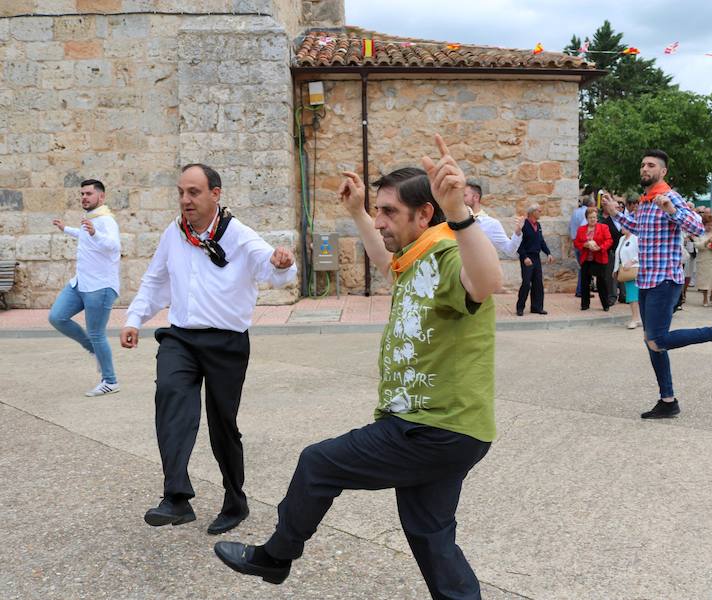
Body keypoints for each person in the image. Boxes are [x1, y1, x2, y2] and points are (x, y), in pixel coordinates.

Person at [213, 135, 502, 597]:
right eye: (379, 211)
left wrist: (461, 215)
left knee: (318, 463)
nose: (381, 220)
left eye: (390, 212)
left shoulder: (448, 253)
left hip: (431, 427)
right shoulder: (417, 257)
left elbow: (487, 282)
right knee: (431, 535)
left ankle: (276, 557)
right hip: (453, 429)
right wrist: (357, 213)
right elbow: (385, 257)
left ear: (424, 215)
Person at [120, 164, 297, 535]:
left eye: (194, 192)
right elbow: (155, 279)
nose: (185, 200)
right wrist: (134, 319)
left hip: (226, 343)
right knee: (169, 397)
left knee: (223, 426)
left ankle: (236, 501)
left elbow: (273, 270)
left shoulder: (239, 235)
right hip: (181, 338)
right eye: (182, 192)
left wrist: (284, 263)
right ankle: (176, 498)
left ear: (215, 194)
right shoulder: (174, 233)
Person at [602, 149, 712, 420]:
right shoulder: (647, 201)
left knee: (658, 340)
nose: (644, 169)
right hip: (647, 278)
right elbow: (638, 228)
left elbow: (697, 227)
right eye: (643, 165)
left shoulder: (669, 197)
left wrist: (671, 210)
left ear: (663, 172)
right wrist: (615, 212)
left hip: (665, 279)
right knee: (652, 342)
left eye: (651, 165)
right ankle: (668, 400)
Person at [49, 179, 121, 397]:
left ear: (101, 196)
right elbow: (85, 237)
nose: (84, 197)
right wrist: (66, 229)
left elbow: (114, 245)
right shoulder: (91, 219)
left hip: (100, 287)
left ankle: (110, 381)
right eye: (82, 194)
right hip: (81, 283)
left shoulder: (106, 220)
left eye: (89, 193)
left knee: (97, 333)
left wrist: (94, 234)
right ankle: (93, 349)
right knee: (57, 317)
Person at [464, 181, 523, 257]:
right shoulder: (456, 222)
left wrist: (517, 232)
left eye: (464, 195)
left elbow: (509, 250)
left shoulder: (491, 224)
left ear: (476, 197)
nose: (460, 199)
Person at [516, 204, 554, 316]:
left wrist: (548, 253)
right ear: (532, 212)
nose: (541, 212)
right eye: (539, 210)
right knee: (526, 283)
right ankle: (520, 307)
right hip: (527, 257)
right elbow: (519, 243)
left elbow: (541, 241)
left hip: (536, 257)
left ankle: (537, 307)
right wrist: (524, 257)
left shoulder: (538, 225)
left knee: (538, 283)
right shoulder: (524, 225)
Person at [573, 206, 613, 311]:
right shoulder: (581, 229)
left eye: (594, 217)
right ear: (586, 218)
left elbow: (609, 241)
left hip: (599, 257)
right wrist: (585, 245)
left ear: (597, 218)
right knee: (585, 282)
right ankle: (585, 304)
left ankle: (605, 304)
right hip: (586, 258)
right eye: (590, 217)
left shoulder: (603, 227)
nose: (593, 219)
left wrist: (600, 248)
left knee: (601, 282)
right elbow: (576, 242)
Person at [613, 227, 641, 328]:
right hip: (625, 270)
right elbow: (618, 255)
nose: (622, 228)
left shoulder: (636, 238)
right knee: (632, 295)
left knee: (632, 295)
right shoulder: (622, 239)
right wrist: (615, 269)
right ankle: (637, 318)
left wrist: (632, 261)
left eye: (624, 225)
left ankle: (636, 319)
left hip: (635, 270)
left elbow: (642, 252)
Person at [694, 213, 712, 307]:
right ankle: (705, 298)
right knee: (704, 281)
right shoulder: (698, 232)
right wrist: (707, 242)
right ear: (703, 224)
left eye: (711, 224)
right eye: (708, 225)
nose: (710, 227)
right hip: (703, 259)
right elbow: (697, 245)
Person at [600, 198, 622, 306]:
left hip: (623, 251)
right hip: (612, 251)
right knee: (612, 274)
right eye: (616, 207)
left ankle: (624, 295)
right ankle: (612, 296)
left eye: (619, 207)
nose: (618, 209)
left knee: (624, 273)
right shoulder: (605, 223)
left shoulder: (624, 221)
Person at [569, 193, 590, 297]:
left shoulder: (575, 212)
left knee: (582, 267)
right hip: (583, 243)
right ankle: (582, 290)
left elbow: (570, 227)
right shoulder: (587, 213)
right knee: (585, 267)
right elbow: (584, 227)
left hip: (575, 242)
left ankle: (580, 289)